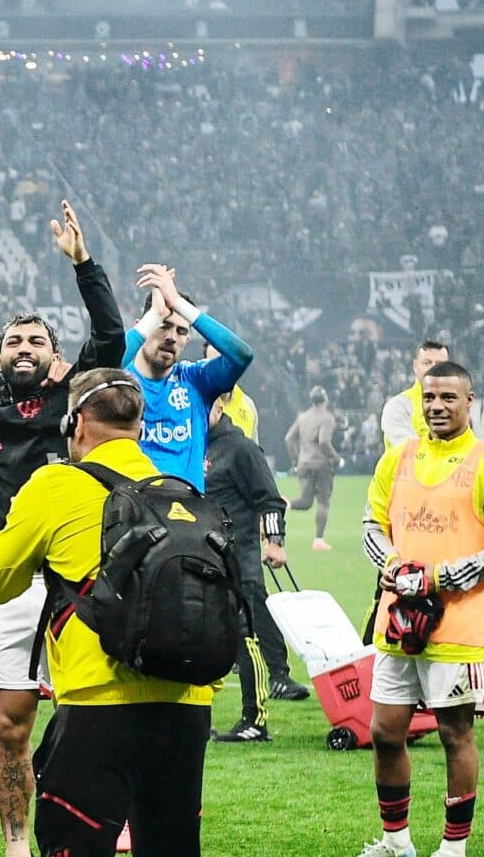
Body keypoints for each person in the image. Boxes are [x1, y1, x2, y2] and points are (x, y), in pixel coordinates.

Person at [0, 368, 214, 857]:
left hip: (101, 703)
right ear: (139, 427)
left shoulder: (56, 484)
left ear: (76, 425)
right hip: (188, 704)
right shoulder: (179, 491)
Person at [0, 199, 126, 857]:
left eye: (37, 339)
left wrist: (81, 263)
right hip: (16, 579)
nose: (26, 348)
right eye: (14, 342)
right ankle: (16, 855)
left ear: (55, 353)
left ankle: (87, 836)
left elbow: (112, 334)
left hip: (78, 577)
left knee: (88, 714)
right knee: (10, 721)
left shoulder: (75, 391)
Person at [346, 361, 484, 857]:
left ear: (470, 402)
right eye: (429, 398)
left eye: (448, 398)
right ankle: (396, 841)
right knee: (384, 730)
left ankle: (454, 847)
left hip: (458, 623)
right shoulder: (397, 458)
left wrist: (443, 577)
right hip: (399, 619)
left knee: (454, 733)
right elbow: (371, 524)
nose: (437, 406)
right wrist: (395, 566)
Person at [204, 393, 303, 744]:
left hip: (239, 559)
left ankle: (255, 719)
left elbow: (269, 497)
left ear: (220, 407)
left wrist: (274, 541)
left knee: (245, 637)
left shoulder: (240, 448)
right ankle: (197, 719)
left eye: (207, 405)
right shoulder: (192, 445)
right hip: (204, 560)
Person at [120, 264, 254, 488]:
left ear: (188, 339)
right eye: (163, 325)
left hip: (189, 514)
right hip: (137, 512)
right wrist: (154, 314)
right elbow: (96, 371)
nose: (172, 337)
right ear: (142, 326)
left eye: (181, 331)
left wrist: (178, 303)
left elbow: (242, 356)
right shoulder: (120, 382)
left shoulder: (196, 380)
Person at [284, 387, 339, 551]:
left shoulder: (303, 417)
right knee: (323, 501)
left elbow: (288, 439)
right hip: (321, 463)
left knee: (305, 502)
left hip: (304, 463)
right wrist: (336, 457)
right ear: (325, 400)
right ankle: (319, 540)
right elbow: (323, 441)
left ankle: (283, 504)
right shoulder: (327, 418)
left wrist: (296, 459)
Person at [380, 340, 451, 449]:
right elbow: (411, 453)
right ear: (415, 366)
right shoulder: (398, 406)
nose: (433, 368)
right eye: (427, 363)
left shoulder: (457, 406)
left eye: (440, 364)